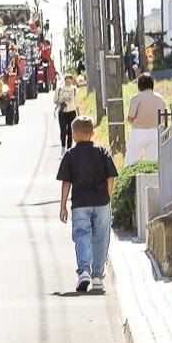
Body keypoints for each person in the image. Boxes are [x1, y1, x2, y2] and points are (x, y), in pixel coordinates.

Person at [57, 115, 118, 294]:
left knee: (82, 235)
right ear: (92, 133)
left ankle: (84, 270)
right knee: (101, 237)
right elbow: (111, 177)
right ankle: (98, 276)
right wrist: (107, 195)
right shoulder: (102, 151)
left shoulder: (70, 155)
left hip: (80, 203)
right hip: (101, 202)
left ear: (73, 134)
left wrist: (63, 206)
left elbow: (66, 182)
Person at [125, 73, 166, 165]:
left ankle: (131, 178)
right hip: (156, 131)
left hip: (138, 131)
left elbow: (131, 117)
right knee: (153, 161)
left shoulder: (136, 98)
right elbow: (163, 116)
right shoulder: (160, 98)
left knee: (131, 160)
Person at [53, 75, 78, 149]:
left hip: (72, 112)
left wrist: (79, 115)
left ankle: (69, 147)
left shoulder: (74, 89)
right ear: (65, 80)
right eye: (67, 80)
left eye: (70, 80)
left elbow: (77, 103)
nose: (68, 81)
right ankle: (63, 145)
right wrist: (60, 102)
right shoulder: (59, 89)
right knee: (63, 131)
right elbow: (55, 101)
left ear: (72, 81)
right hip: (62, 112)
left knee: (70, 131)